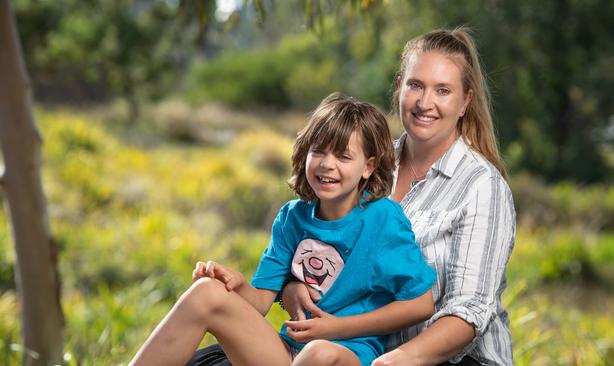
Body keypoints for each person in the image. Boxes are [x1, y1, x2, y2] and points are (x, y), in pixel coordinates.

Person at [186, 27, 516, 366]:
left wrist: (396, 360)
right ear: (399, 86)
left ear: (465, 102)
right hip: (342, 348)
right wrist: (291, 289)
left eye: (443, 91)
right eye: (416, 85)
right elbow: (322, 251)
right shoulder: (363, 161)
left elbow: (468, 312)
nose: (425, 102)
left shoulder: (481, 186)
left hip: (440, 359)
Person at [130, 93, 437, 366]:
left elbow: (421, 303)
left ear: (368, 167)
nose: (327, 165)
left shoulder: (383, 218)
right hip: (286, 352)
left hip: (346, 353)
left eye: (343, 156)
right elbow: (260, 303)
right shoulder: (292, 218)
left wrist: (336, 328)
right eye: (319, 152)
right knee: (205, 292)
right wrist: (236, 285)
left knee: (320, 352)